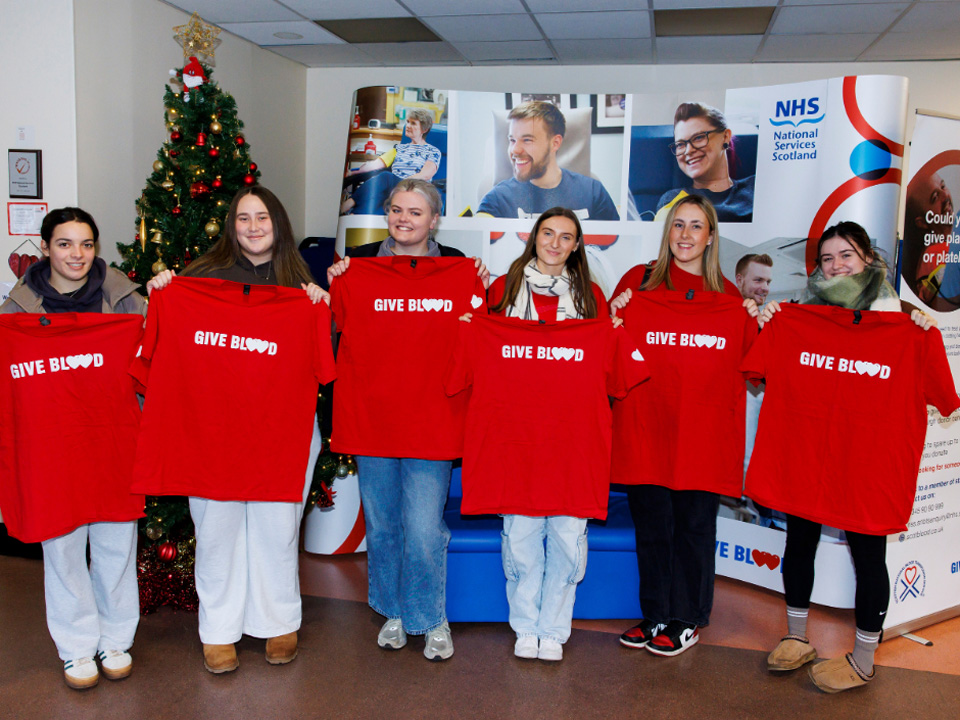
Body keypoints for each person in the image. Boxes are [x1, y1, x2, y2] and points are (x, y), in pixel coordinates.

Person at [146, 186, 329, 674]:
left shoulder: (300, 284)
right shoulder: (198, 280)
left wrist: (320, 303)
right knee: (217, 529)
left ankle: (278, 623)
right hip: (212, 431)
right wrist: (164, 289)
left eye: (262, 217)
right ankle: (219, 631)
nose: (252, 226)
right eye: (243, 218)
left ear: (278, 224)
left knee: (277, 529)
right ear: (231, 225)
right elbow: (168, 344)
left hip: (282, 430)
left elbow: (326, 358)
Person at [760, 221, 937, 693]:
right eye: (827, 259)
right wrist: (770, 320)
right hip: (809, 456)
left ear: (870, 260)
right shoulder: (799, 315)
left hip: (866, 464)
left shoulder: (902, 321)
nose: (836, 266)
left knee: (868, 553)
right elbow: (759, 372)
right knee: (799, 542)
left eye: (847, 256)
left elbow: (940, 391)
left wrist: (918, 325)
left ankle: (863, 660)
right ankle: (796, 638)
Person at [326, 178, 489, 661]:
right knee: (383, 525)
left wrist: (476, 283)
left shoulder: (458, 268)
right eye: (396, 210)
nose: (403, 219)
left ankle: (431, 617)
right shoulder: (356, 267)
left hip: (433, 420)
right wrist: (336, 280)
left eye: (415, 212)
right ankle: (393, 610)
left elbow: (480, 334)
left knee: (423, 527)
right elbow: (328, 321)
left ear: (433, 219)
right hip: (373, 417)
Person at [1, 207, 147, 689]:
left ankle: (116, 638)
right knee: (62, 548)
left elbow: (156, 358)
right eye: (64, 244)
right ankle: (76, 647)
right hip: (52, 450)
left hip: (114, 442)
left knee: (115, 545)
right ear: (45, 248)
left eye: (86, 244)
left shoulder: (126, 302)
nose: (77, 254)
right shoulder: (15, 314)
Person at [610, 195, 757, 657]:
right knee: (652, 525)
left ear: (711, 236)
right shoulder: (638, 281)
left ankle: (687, 617)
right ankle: (654, 612)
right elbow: (608, 338)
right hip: (646, 428)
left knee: (693, 527)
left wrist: (760, 320)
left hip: (702, 436)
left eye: (696, 226)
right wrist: (614, 316)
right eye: (678, 225)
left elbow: (756, 365)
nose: (686, 235)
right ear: (667, 231)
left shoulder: (729, 300)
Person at [480, 208, 612, 661]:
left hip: (571, 439)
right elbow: (484, 349)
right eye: (548, 234)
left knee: (565, 538)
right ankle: (525, 626)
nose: (555, 243)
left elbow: (605, 362)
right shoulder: (502, 290)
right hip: (515, 435)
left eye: (566, 237)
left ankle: (554, 628)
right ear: (534, 237)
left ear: (577, 246)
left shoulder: (593, 298)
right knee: (520, 538)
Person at [477, 101, 619, 221]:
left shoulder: (593, 192)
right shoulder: (498, 199)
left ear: (555, 143)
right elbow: (478, 245)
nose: (515, 150)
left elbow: (616, 247)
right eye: (512, 140)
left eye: (527, 140)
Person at [655, 103, 755, 223]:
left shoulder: (755, 186)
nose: (688, 150)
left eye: (698, 138)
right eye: (680, 144)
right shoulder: (673, 199)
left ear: (725, 136)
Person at [341, 108, 441, 215]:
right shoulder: (399, 148)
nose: (408, 126)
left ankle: (349, 205)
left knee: (386, 177)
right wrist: (353, 172)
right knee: (380, 197)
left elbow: (425, 175)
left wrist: (401, 183)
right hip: (393, 186)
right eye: (407, 122)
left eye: (413, 123)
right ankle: (354, 215)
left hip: (416, 186)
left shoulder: (433, 151)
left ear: (424, 129)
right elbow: (376, 164)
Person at [901, 169, 957, 307]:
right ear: (922, 222)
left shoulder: (956, 243)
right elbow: (926, 297)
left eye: (943, 186)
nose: (945, 196)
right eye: (935, 197)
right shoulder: (930, 256)